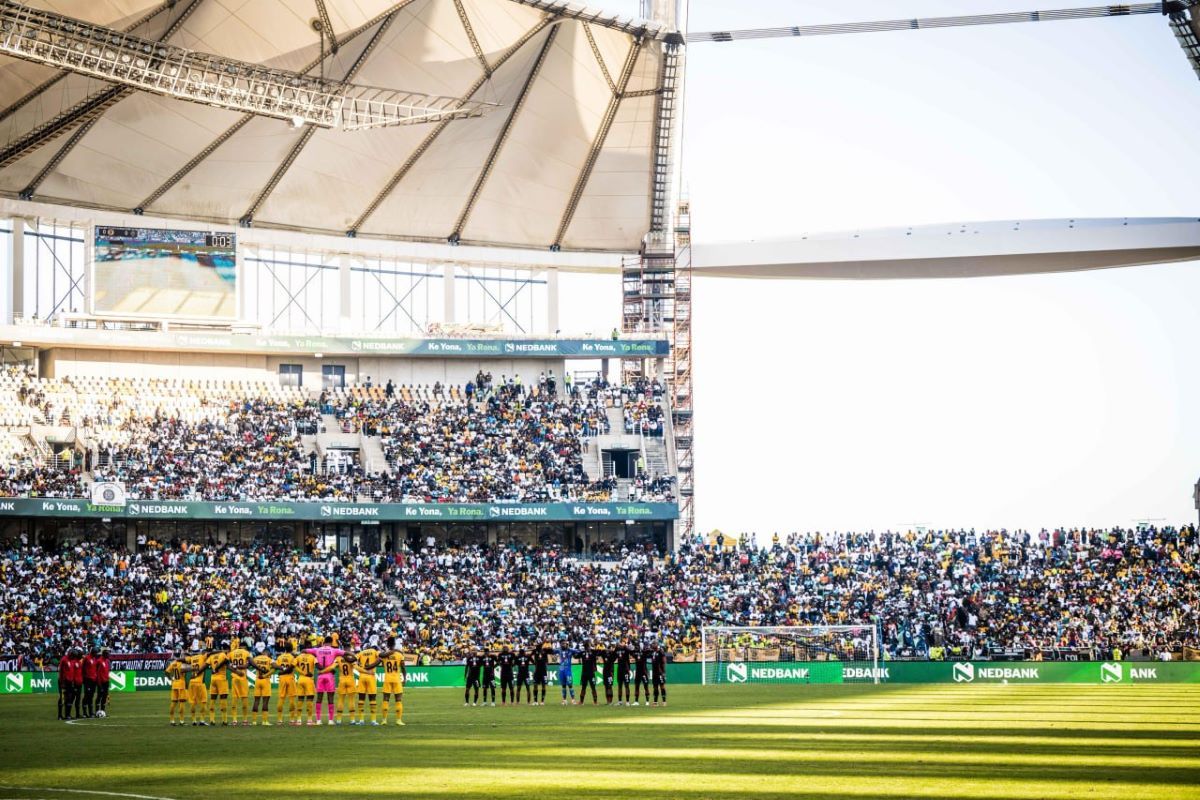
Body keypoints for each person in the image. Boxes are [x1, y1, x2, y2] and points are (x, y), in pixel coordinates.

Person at [305, 636, 344, 725]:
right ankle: (330, 720)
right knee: (330, 698)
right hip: (329, 675)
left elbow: (304, 651)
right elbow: (346, 653)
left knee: (319, 698)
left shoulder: (317, 650)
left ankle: (318, 720)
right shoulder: (334, 650)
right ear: (331, 642)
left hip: (320, 675)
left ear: (324, 642)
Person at [379, 637, 406, 726]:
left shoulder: (385, 655)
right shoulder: (399, 655)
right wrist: (405, 678)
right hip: (396, 679)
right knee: (398, 699)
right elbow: (403, 668)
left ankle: (384, 720)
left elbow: (380, 657)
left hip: (387, 678)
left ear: (387, 644)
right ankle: (398, 720)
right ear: (394, 644)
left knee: (385, 699)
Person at [326, 651, 358, 725]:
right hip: (350, 679)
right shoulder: (351, 658)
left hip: (342, 679)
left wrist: (331, 671)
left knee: (340, 700)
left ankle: (339, 720)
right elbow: (355, 665)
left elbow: (332, 667)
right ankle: (352, 720)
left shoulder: (338, 658)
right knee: (351, 700)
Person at [228, 638, 252, 725]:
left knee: (234, 699)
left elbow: (228, 664)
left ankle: (234, 720)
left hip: (234, 677)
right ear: (244, 646)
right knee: (244, 698)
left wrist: (235, 669)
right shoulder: (246, 653)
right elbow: (249, 664)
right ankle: (245, 720)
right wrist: (241, 667)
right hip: (243, 678)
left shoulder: (232, 653)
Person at [355, 643, 380, 726]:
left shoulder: (361, 653)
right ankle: (373, 720)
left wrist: (362, 669)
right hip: (371, 676)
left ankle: (361, 720)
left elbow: (354, 662)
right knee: (372, 698)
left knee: (361, 698)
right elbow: (380, 657)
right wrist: (372, 666)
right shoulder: (374, 651)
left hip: (362, 677)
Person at [206, 641, 231, 725]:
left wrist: (197, 673)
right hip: (221, 679)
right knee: (223, 699)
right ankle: (224, 720)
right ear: (226, 649)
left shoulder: (212, 656)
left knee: (212, 699)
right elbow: (226, 663)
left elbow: (205, 665)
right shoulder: (224, 655)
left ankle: (212, 720)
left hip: (213, 679)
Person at [293, 646, 318, 726]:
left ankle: (299, 720)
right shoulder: (312, 657)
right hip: (309, 680)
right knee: (310, 700)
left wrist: (302, 673)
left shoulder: (298, 657)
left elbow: (293, 666)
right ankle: (309, 720)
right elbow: (317, 665)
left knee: (300, 699)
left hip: (300, 679)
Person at [185, 644, 208, 726]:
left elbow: (183, 661)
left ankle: (193, 721)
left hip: (191, 682)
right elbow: (209, 654)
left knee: (192, 702)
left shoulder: (191, 659)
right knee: (203, 701)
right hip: (200, 682)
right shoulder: (202, 657)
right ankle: (202, 720)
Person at [250, 645, 274, 726]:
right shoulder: (269, 659)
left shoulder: (256, 658)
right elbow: (274, 667)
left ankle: (254, 721)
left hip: (257, 680)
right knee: (265, 701)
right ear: (266, 653)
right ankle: (265, 721)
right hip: (265, 680)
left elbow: (250, 664)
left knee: (256, 700)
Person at [274, 645, 297, 726]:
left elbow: (275, 665)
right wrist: (284, 671)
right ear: (291, 649)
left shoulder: (280, 657)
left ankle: (279, 720)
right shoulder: (292, 657)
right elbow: (291, 668)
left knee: (281, 698)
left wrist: (281, 669)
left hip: (282, 679)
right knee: (292, 698)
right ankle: (292, 719)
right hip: (290, 678)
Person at [165, 651, 189, 725]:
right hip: (181, 684)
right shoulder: (182, 663)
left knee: (173, 702)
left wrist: (170, 679)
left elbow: (166, 672)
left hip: (174, 684)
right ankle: (181, 721)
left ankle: (172, 720)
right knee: (182, 702)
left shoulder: (173, 663)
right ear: (180, 655)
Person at [81, 647, 98, 718]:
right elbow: (82, 668)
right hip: (87, 680)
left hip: (93, 680)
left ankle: (91, 712)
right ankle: (85, 713)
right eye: (95, 653)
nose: (96, 654)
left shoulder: (94, 659)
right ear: (92, 652)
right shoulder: (86, 658)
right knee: (87, 696)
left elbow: (94, 669)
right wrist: (84, 678)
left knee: (91, 696)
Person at [95, 648, 111, 716]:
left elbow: (107, 671)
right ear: (104, 654)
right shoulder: (99, 661)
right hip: (100, 682)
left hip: (106, 681)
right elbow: (97, 673)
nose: (109, 655)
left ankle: (103, 712)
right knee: (99, 696)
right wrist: (99, 683)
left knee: (104, 697)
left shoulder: (107, 661)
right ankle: (97, 712)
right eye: (107, 654)